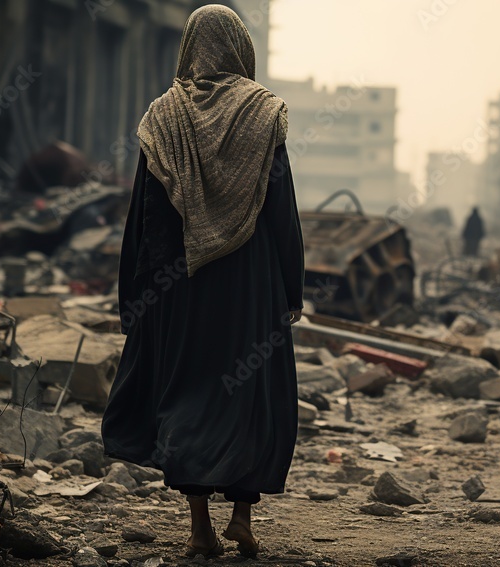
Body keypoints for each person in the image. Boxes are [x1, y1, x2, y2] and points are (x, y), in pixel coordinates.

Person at [101, 5, 304, 560]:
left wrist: (134, 296)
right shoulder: (265, 115)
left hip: (180, 287)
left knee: (187, 394)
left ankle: (198, 529)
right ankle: (241, 515)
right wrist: (291, 288)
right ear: (242, 48)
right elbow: (282, 211)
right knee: (252, 397)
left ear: (189, 46)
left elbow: (142, 216)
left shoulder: (162, 117)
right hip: (252, 286)